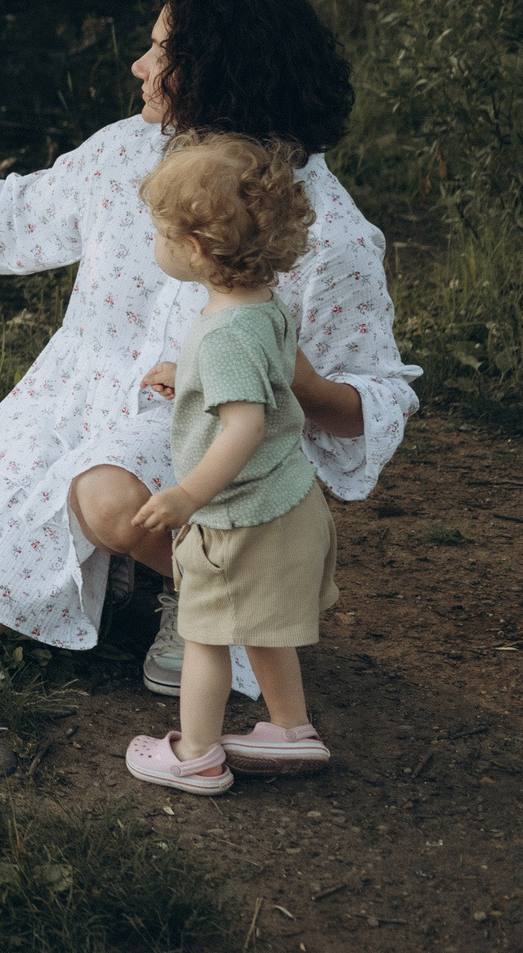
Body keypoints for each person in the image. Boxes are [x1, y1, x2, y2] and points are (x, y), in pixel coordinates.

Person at [0, 0, 418, 697]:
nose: (140, 66)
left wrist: (293, 377)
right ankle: (126, 574)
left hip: (209, 442)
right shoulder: (129, 152)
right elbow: (6, 214)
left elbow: (374, 400)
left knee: (109, 496)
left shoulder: (325, 226)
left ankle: (219, 588)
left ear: (216, 71)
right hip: (81, 407)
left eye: (161, 52)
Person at [124, 132, 335, 793]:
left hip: (236, 517)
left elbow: (243, 423)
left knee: (208, 634)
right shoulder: (259, 306)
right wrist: (184, 373)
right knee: (262, 622)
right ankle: (290, 726)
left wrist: (187, 495)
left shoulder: (224, 336)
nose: (155, 243)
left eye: (161, 233)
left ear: (196, 250)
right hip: (287, 500)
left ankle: (196, 752)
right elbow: (261, 381)